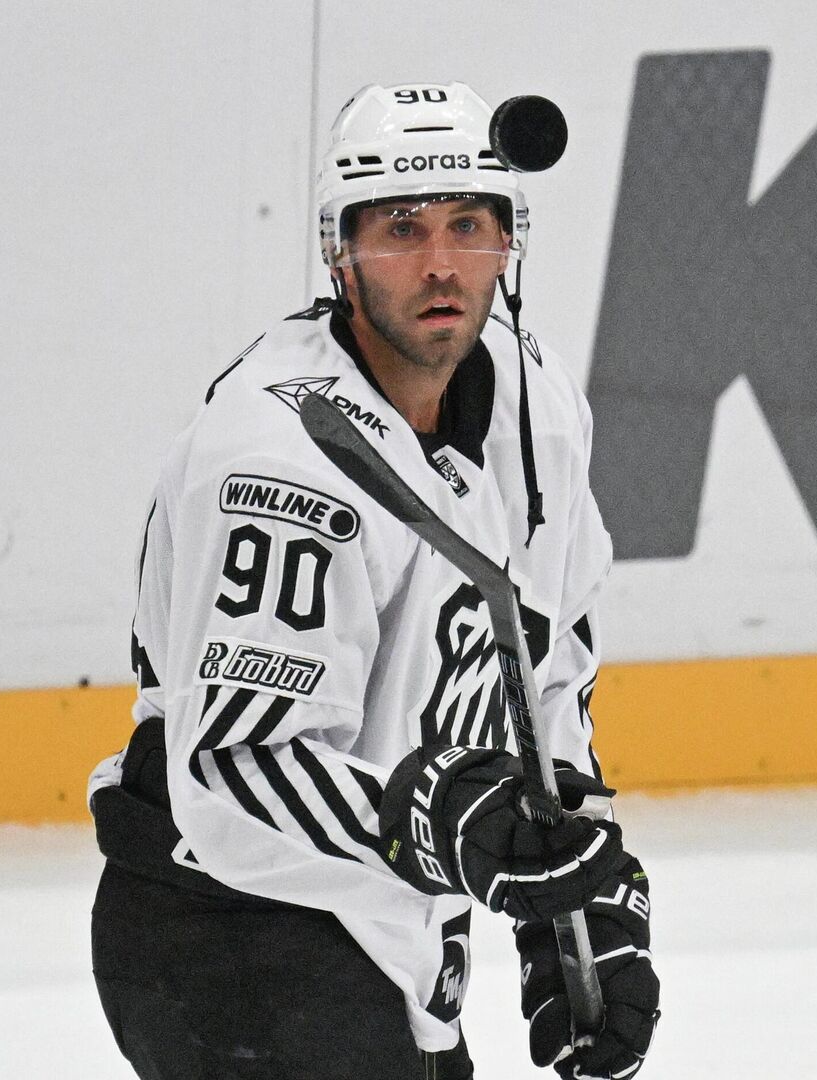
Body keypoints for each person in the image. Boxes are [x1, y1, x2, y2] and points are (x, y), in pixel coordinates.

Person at [86, 82, 659, 1080]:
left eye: (467, 225)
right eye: (401, 228)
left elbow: (549, 653)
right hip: (225, 936)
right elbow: (236, 773)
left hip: (389, 928)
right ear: (338, 251)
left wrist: (572, 888)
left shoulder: (536, 404)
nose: (440, 264)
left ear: (508, 242)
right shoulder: (278, 462)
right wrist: (455, 826)